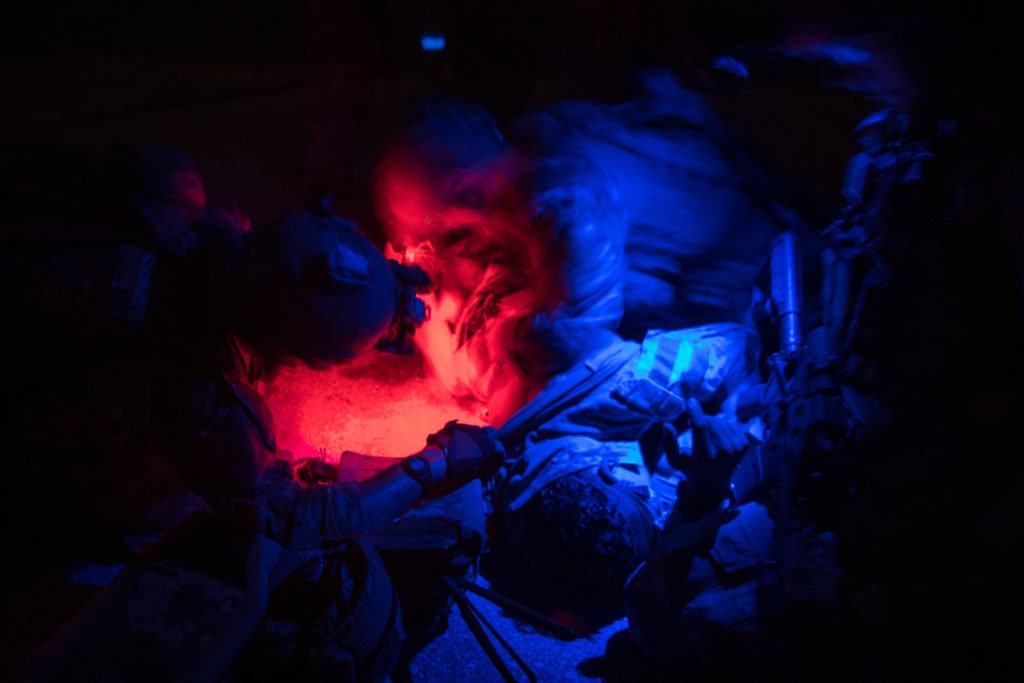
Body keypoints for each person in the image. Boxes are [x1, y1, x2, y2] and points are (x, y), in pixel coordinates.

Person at [1, 141, 506, 681]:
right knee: (181, 506)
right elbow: (295, 518)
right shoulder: (188, 375)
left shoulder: (174, 213)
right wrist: (434, 464)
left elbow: (311, 266)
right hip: (28, 416)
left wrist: (374, 294)